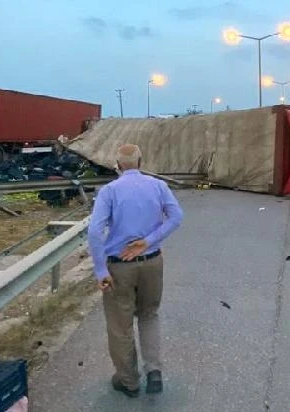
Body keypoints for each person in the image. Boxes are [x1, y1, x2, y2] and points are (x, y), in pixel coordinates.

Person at [88, 143, 183, 397]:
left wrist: (100, 270)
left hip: (120, 267)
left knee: (121, 326)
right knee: (149, 315)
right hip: (152, 262)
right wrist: (149, 240)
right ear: (141, 162)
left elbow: (95, 231)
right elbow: (176, 217)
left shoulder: (109, 191)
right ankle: (154, 371)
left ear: (118, 166)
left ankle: (129, 382)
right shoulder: (158, 186)